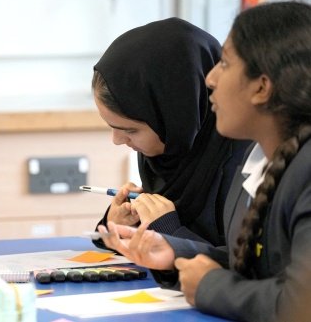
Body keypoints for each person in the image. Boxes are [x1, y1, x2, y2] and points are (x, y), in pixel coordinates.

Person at [99, 1, 311, 322]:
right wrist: (173, 252)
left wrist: (210, 286)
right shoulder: (260, 164)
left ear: (261, 87)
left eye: (225, 63)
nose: (209, 78)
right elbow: (251, 265)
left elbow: (300, 305)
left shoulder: (303, 173)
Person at [92, 18, 251, 249]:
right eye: (111, 127)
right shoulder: (164, 155)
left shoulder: (248, 163)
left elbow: (247, 270)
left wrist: (170, 231)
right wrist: (115, 226)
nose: (117, 141)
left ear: (177, 116)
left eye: (130, 130)